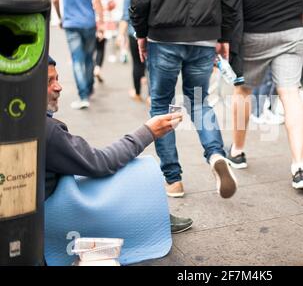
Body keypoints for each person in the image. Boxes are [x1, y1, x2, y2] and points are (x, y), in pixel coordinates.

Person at [45, 56, 193, 234]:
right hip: (56, 211)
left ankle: (154, 215)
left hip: (57, 197)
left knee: (120, 166)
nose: (58, 87)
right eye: (48, 81)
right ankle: (154, 217)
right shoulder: (47, 130)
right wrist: (148, 131)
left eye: (57, 79)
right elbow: (101, 163)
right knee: (135, 170)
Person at [130, 0, 239, 199]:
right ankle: (216, 154)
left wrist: (140, 31)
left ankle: (173, 179)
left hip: (163, 36)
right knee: (199, 101)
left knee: (161, 106)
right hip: (205, 36)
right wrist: (224, 35)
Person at [228, 0, 303, 190]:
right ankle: (299, 167)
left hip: (253, 31)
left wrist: (225, 31)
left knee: (243, 90)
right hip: (291, 31)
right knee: (291, 94)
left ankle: (237, 152)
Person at [52, 0, 104, 110]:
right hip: (88, 22)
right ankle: (89, 87)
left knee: (77, 60)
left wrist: (61, 18)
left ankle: (83, 96)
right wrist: (101, 21)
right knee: (88, 57)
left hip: (71, 23)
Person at [118, 0, 146, 103]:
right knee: (151, 65)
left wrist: (120, 34)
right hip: (152, 33)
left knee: (137, 63)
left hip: (134, 32)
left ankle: (138, 93)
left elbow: (125, 16)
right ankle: (150, 96)